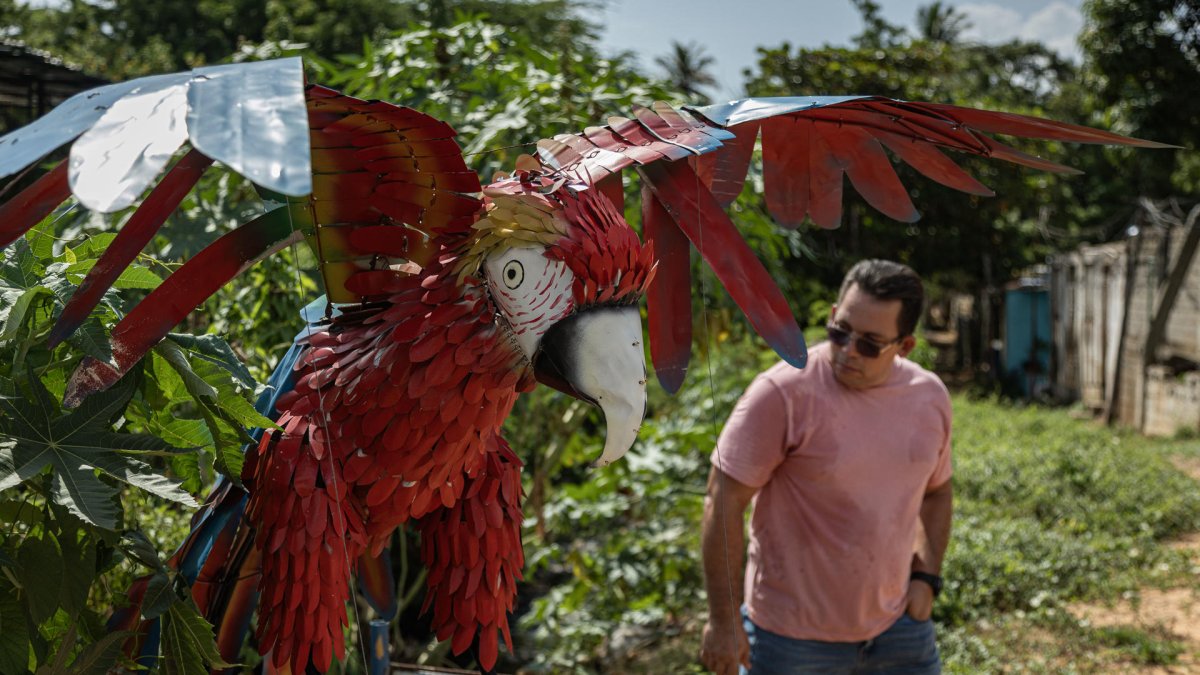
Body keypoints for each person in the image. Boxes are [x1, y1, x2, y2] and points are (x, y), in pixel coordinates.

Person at [699, 259, 953, 675]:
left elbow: (938, 491)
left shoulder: (928, 398)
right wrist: (724, 622)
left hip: (899, 631)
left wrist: (926, 579)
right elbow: (722, 502)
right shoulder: (782, 393)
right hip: (789, 642)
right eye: (841, 332)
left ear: (904, 346)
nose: (849, 351)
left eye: (870, 343)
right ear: (833, 317)